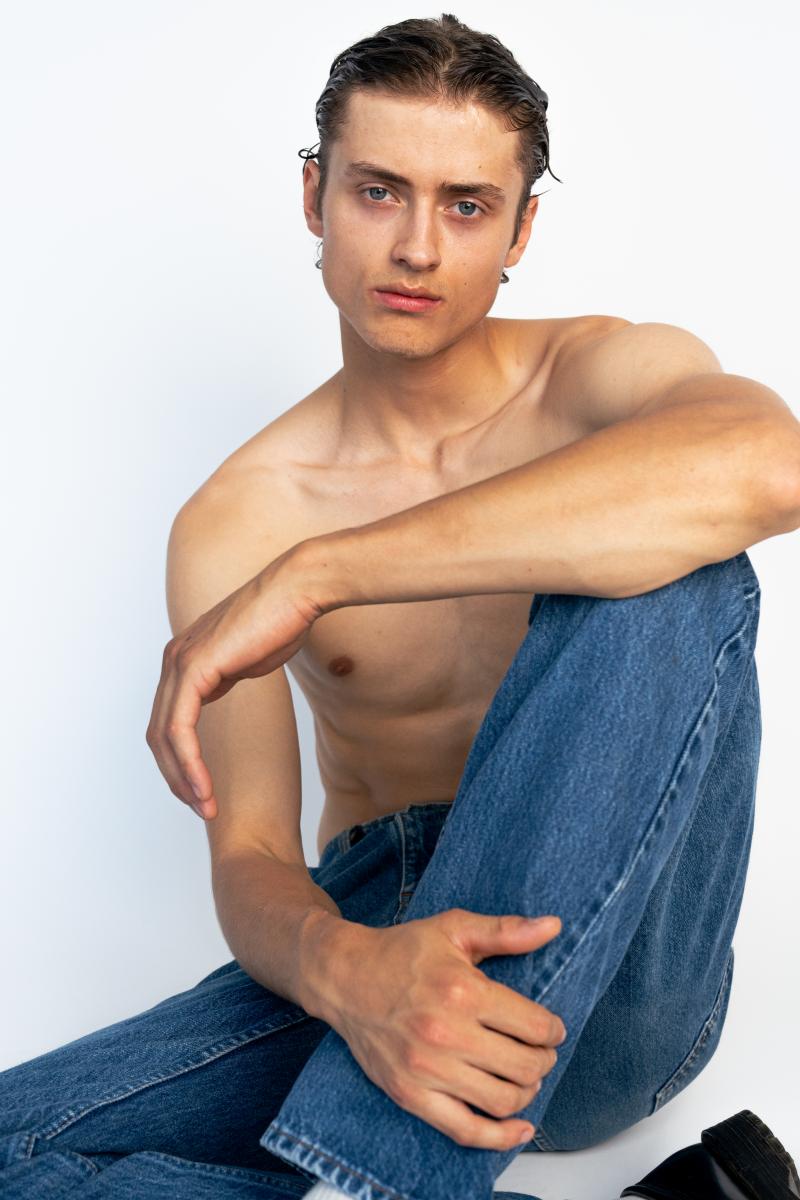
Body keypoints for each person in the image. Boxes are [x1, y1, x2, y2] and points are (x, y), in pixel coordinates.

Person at [2, 13, 799, 1200]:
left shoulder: (595, 379)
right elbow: (252, 855)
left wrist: (319, 572)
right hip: (390, 935)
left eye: (466, 207)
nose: (416, 247)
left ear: (520, 229)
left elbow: (769, 469)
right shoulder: (236, 518)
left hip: (621, 982)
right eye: (378, 191)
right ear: (315, 197)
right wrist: (347, 972)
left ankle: (377, 1176)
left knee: (673, 562)